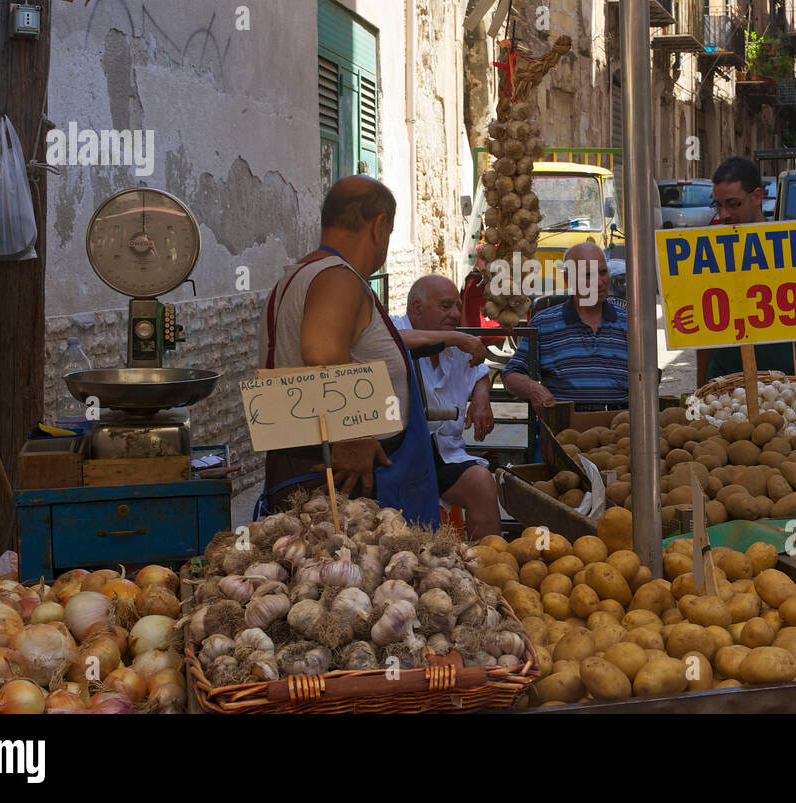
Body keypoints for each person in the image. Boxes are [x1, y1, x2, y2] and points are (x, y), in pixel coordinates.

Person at [256, 176, 440, 524]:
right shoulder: (338, 278)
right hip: (345, 480)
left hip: (310, 461)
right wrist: (354, 436)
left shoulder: (302, 275)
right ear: (379, 225)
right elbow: (322, 353)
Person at [696, 157, 796, 391]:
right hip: (725, 385)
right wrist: (700, 389)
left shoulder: (791, 245)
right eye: (718, 205)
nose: (723, 214)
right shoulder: (706, 251)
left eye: (733, 204)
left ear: (756, 197)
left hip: (791, 383)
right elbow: (703, 330)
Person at [394, 276, 500, 541]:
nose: (455, 314)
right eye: (446, 307)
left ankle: (487, 569)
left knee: (483, 484)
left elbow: (480, 373)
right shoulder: (395, 327)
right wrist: (452, 337)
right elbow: (393, 341)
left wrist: (481, 398)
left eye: (457, 306)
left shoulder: (456, 345)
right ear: (417, 308)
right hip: (399, 454)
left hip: (443, 454)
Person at [502, 242, 629, 411]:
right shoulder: (544, 324)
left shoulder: (629, 322)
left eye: (603, 272)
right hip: (565, 429)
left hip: (620, 427)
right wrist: (534, 389)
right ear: (569, 279)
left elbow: (646, 377)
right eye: (588, 275)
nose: (599, 282)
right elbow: (511, 375)